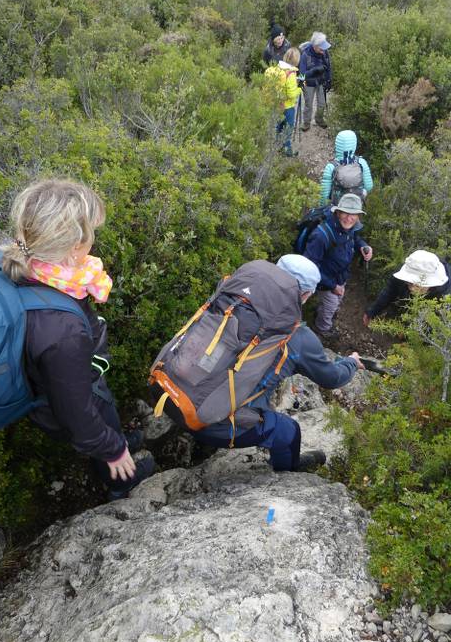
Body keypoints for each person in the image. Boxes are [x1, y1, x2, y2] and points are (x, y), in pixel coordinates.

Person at [0, 178, 154, 499]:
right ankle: (119, 479)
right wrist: (112, 448)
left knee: (104, 418)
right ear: (74, 248)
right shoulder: (63, 333)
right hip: (62, 388)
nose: (94, 240)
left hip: (44, 367)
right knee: (103, 419)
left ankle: (118, 442)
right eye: (91, 233)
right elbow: (77, 414)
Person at [187, 255, 364, 471]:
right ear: (306, 294)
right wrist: (351, 363)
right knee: (289, 433)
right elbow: (332, 378)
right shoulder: (297, 337)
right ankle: (286, 476)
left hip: (181, 398)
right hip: (216, 425)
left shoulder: (234, 300)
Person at [303, 193, 373, 337]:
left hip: (340, 276)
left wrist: (363, 246)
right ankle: (322, 329)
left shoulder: (349, 227)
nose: (349, 218)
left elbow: (354, 237)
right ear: (338, 212)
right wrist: (332, 286)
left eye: (354, 214)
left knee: (334, 302)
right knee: (331, 304)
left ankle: (323, 313)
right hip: (326, 281)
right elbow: (310, 267)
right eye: (345, 213)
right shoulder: (321, 235)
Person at [363, 250, 451, 326]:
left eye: (417, 285)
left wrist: (410, 333)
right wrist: (372, 312)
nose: (412, 288)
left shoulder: (445, 295)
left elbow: (437, 324)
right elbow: (389, 292)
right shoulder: (410, 267)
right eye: (409, 283)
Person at [320, 130, 374, 206]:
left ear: (337, 145)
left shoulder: (331, 166)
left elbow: (324, 194)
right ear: (354, 144)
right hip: (356, 206)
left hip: (338, 207)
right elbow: (369, 186)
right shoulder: (361, 162)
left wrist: (323, 207)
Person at [265, 47, 302, 157]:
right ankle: (287, 150)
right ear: (296, 60)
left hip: (276, 105)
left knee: (279, 126)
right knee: (287, 129)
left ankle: (277, 146)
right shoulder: (290, 73)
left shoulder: (277, 69)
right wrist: (300, 88)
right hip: (287, 107)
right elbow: (291, 94)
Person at [299, 31, 332, 131]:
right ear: (315, 46)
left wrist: (329, 79)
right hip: (309, 83)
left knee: (322, 103)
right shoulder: (305, 55)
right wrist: (314, 71)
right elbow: (301, 76)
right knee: (308, 104)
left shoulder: (325, 52)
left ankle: (319, 119)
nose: (324, 49)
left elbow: (329, 67)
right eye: (322, 47)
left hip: (321, 82)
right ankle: (306, 123)